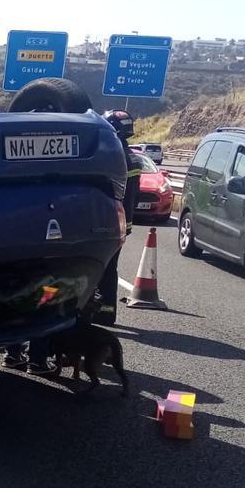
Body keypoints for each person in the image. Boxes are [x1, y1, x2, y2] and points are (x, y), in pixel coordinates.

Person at [94, 109, 140, 326]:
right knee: (109, 268)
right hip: (121, 222)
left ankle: (96, 310)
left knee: (97, 266)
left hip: (106, 222)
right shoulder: (131, 156)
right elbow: (132, 195)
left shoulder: (113, 156)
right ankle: (106, 311)